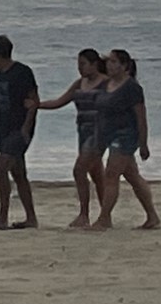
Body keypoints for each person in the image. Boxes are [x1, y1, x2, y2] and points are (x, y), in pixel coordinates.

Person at [37, 49, 108, 228]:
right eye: (78, 65)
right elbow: (59, 101)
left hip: (99, 133)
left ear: (94, 64)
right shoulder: (79, 84)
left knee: (79, 170)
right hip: (83, 132)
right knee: (97, 174)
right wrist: (37, 105)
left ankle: (84, 214)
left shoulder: (106, 84)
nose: (80, 68)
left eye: (83, 64)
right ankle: (105, 215)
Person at [90, 48, 160, 231]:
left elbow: (141, 117)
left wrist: (143, 143)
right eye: (109, 61)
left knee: (111, 175)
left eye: (114, 62)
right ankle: (152, 217)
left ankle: (104, 219)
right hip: (109, 135)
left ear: (125, 66)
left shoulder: (132, 88)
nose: (110, 65)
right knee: (133, 177)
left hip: (125, 136)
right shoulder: (107, 84)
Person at [0, 33, 39, 230]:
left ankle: (2, 216)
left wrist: (26, 128)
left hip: (19, 129)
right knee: (19, 173)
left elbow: (33, 101)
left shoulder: (22, 72)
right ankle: (31, 218)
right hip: (5, 130)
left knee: (1, 168)